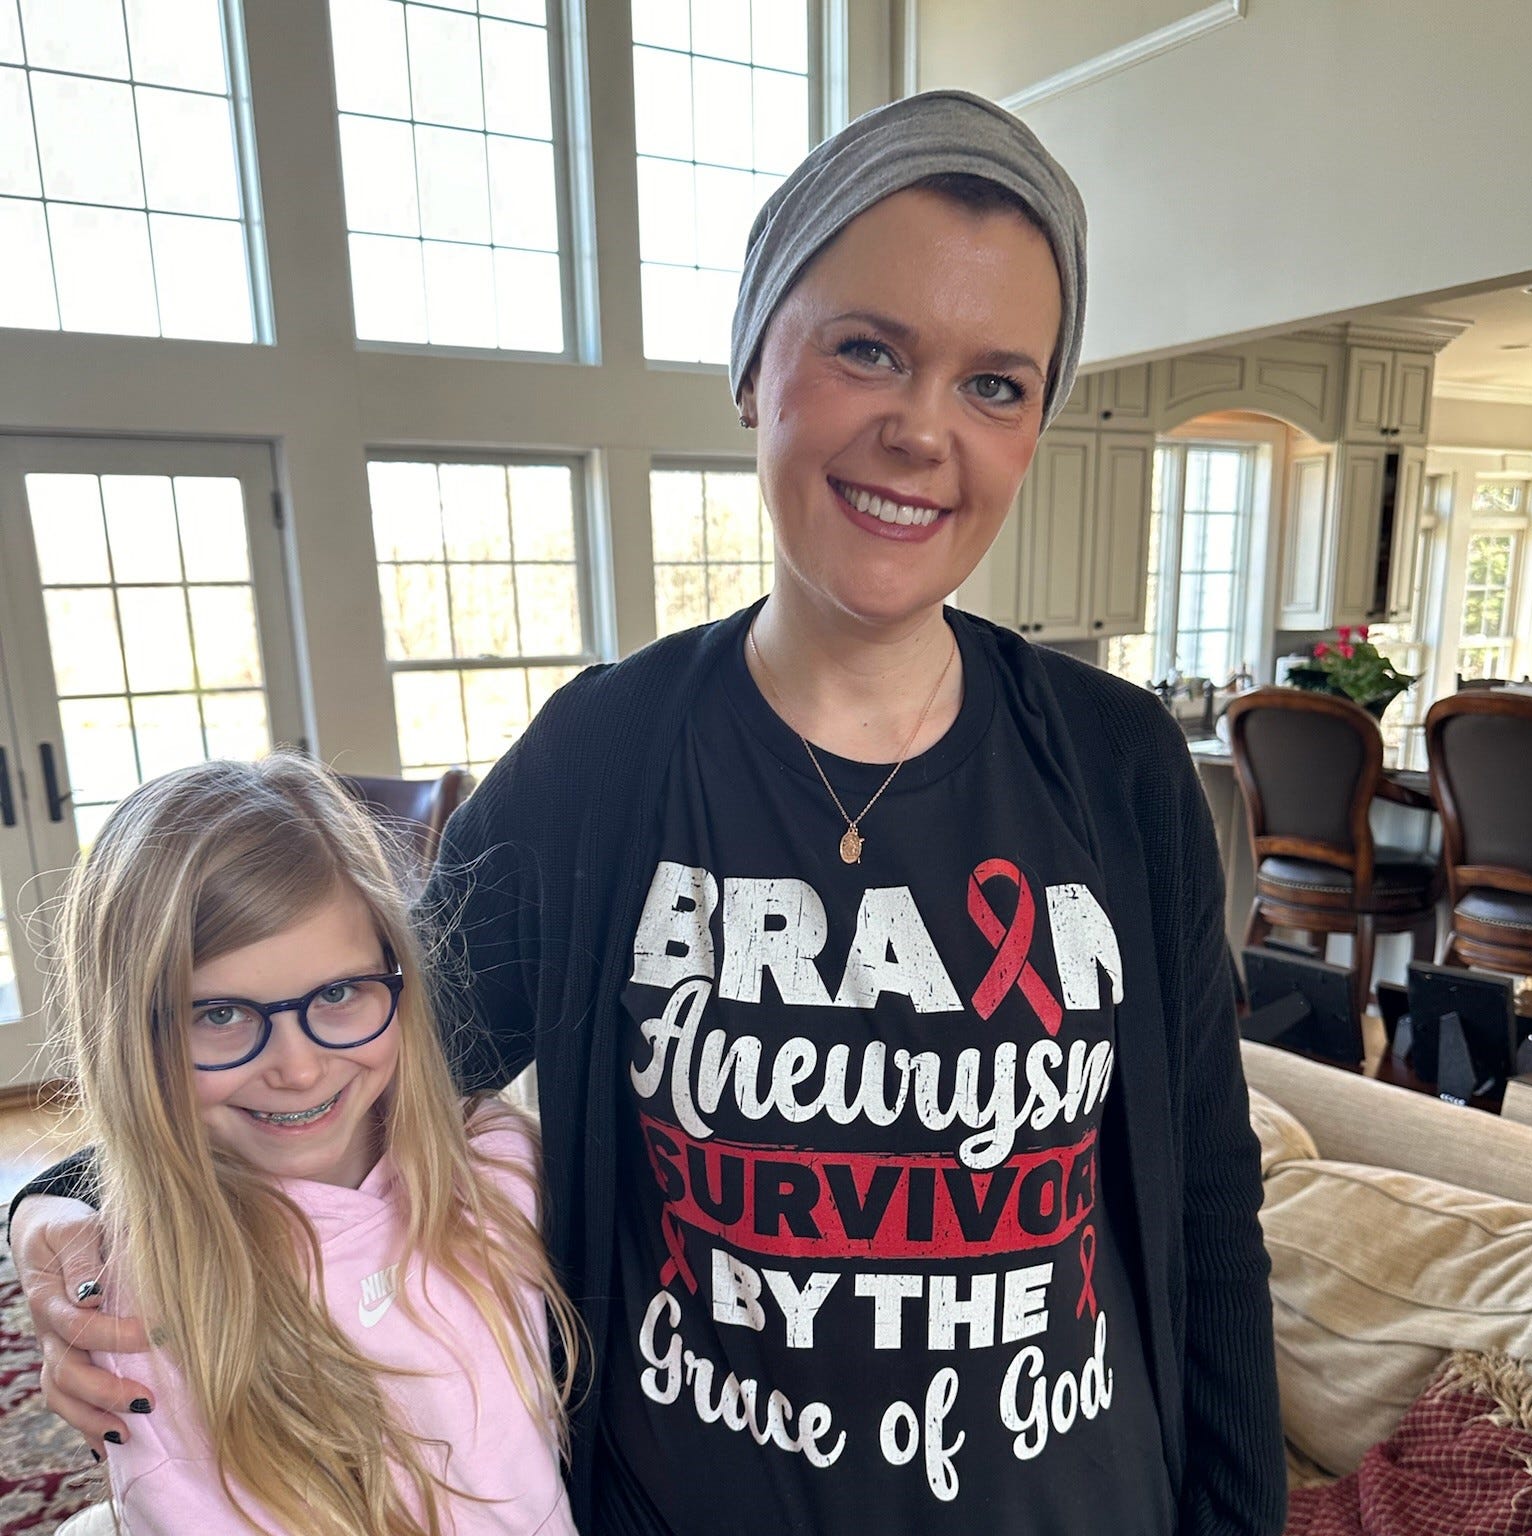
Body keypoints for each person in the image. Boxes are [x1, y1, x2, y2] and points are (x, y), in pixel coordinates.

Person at [12, 90, 1284, 1534]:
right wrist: (63, 1206)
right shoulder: (605, 759)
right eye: (869, 349)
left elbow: (1207, 1209)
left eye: (996, 384)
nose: (923, 430)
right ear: (753, 363)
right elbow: (366, 1053)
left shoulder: (1120, 765)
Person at [31, 755, 580, 1535]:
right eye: (220, 1014)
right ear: (128, 1040)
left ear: (398, 977)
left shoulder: (500, 1163)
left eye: (339, 993)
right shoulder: (149, 1307)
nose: (298, 1068)